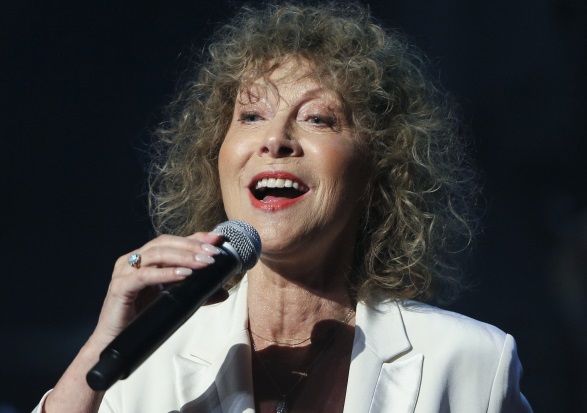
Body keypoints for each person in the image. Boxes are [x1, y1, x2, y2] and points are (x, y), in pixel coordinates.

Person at [34, 2, 532, 412]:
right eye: (251, 115)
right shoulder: (145, 357)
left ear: (380, 166)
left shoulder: (470, 363)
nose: (275, 139)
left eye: (318, 118)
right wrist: (104, 344)